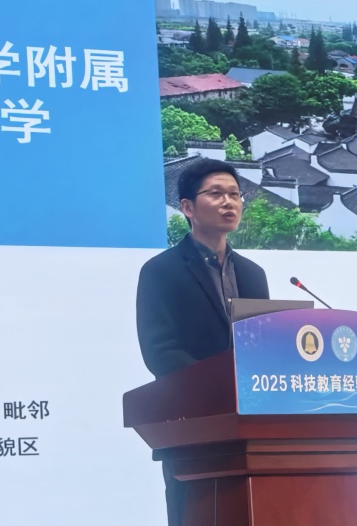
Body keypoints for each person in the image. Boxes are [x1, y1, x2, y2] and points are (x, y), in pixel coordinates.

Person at [135, 158, 270, 526]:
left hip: (254, 430)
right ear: (188, 207)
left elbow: (262, 349)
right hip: (193, 427)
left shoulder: (253, 274)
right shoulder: (161, 271)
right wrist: (221, 386)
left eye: (235, 194)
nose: (229, 202)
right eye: (216, 194)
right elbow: (160, 351)